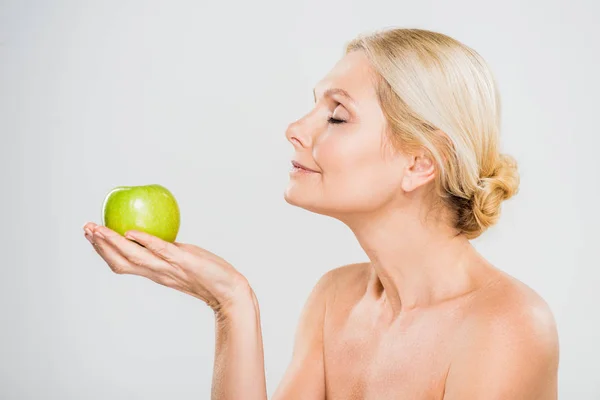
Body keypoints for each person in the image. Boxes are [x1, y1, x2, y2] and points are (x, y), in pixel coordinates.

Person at [83, 28, 559, 399]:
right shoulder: (335, 299)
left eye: (337, 116)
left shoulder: (507, 326)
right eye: (315, 106)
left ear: (420, 163)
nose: (295, 128)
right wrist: (230, 303)